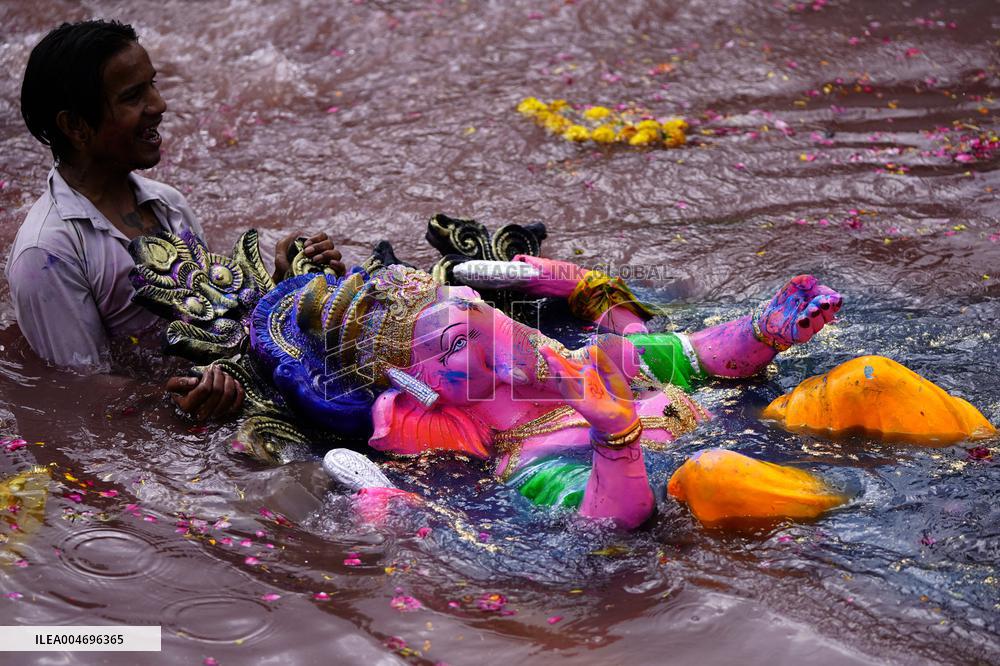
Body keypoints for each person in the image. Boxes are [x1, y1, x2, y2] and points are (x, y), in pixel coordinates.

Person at [7, 19, 345, 420]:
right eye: (133, 96)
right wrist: (178, 398)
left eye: (153, 84)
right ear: (75, 125)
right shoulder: (47, 253)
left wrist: (284, 285)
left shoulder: (168, 204)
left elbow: (214, 318)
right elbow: (78, 392)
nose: (159, 106)